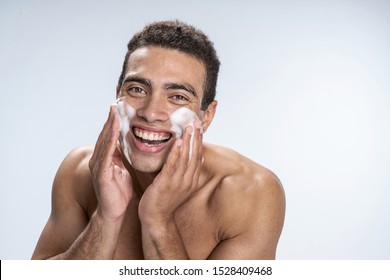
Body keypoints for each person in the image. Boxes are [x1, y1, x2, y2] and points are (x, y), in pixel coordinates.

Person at [32, 20, 285, 260]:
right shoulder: (81, 171)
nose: (151, 113)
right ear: (118, 96)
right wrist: (105, 219)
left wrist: (158, 221)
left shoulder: (251, 193)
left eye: (177, 97)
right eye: (137, 90)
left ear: (206, 116)